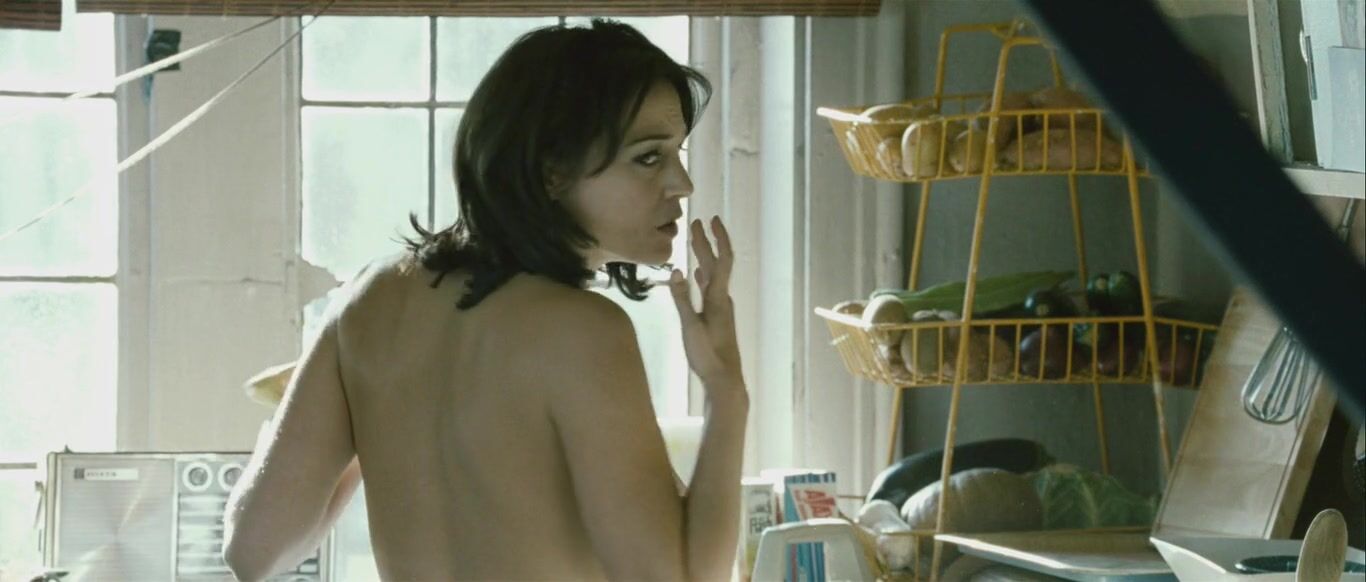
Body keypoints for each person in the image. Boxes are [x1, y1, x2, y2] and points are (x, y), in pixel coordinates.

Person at [221, 18, 748, 582]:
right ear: (552, 171)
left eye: (676, 153)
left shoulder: (370, 299)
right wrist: (726, 392)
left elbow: (253, 552)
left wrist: (355, 413)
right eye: (648, 157)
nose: (682, 184)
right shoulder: (583, 330)